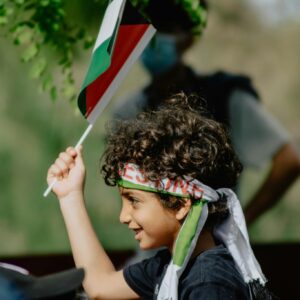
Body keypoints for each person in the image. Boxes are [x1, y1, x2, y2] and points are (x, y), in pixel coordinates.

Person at [47, 93, 275, 299]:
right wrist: (70, 196)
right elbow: (100, 286)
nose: (123, 216)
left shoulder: (209, 282)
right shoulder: (169, 268)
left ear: (181, 204)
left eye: (134, 201)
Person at [114, 0, 300, 226]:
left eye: (165, 28)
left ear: (189, 38)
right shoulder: (129, 111)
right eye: (148, 28)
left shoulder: (225, 98)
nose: (153, 39)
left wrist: (239, 223)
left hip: (210, 246)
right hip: (155, 255)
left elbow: (289, 160)